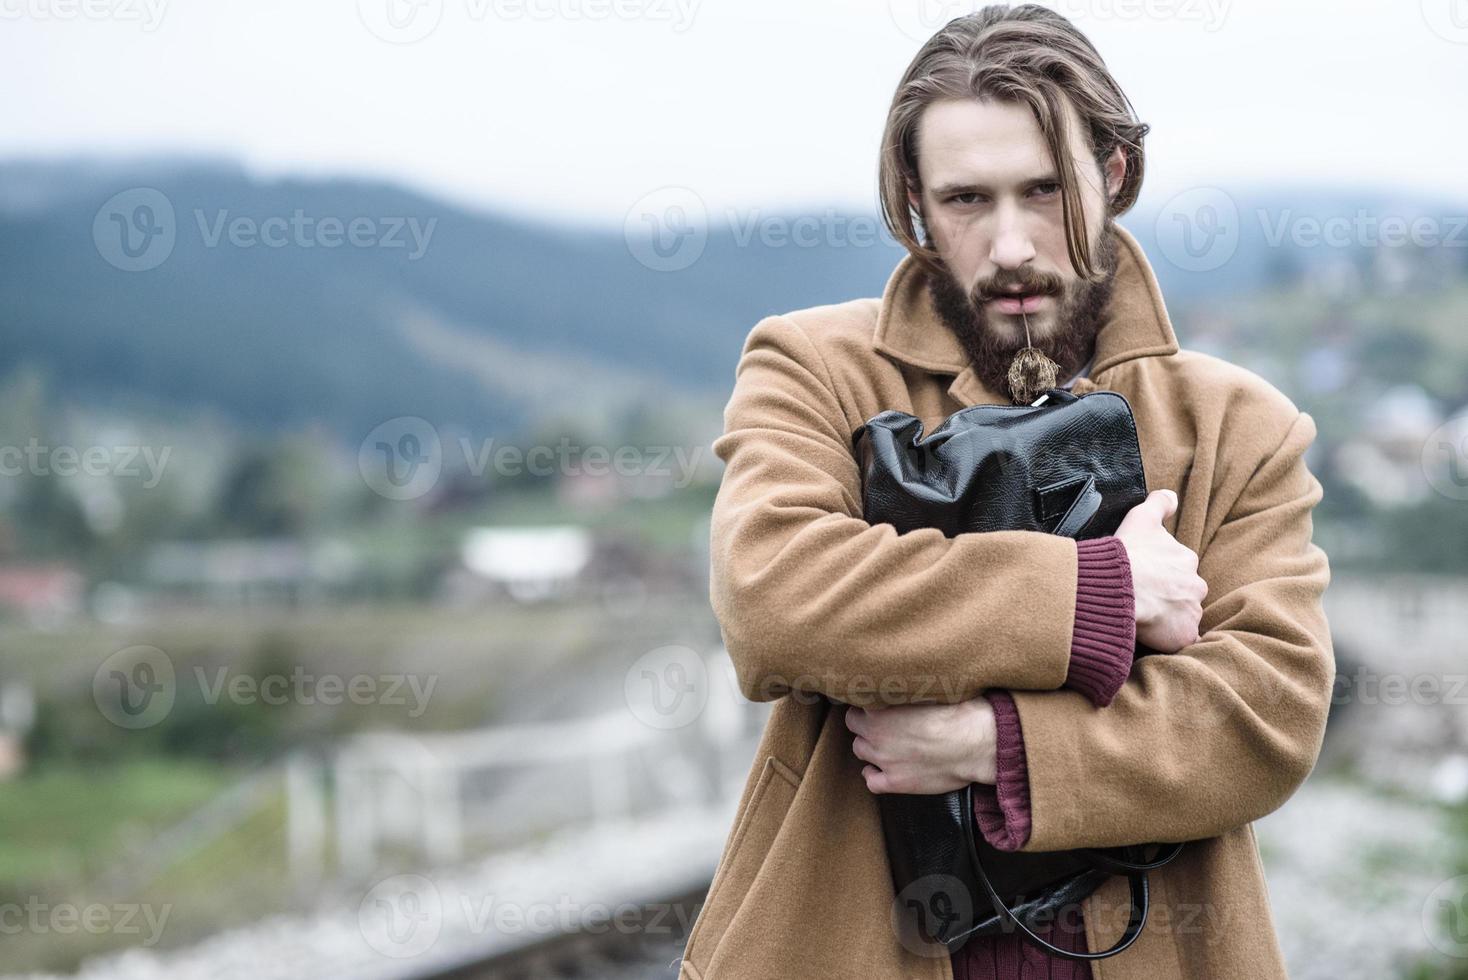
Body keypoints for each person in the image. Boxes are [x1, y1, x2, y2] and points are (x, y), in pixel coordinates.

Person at [679, 5, 1334, 979]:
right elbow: (775, 597)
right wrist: (1099, 593)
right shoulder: (811, 365)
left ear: (1110, 173)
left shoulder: (1237, 423)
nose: (1013, 242)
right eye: (967, 200)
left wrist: (997, 742)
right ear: (914, 200)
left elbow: (1263, 712)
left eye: (1042, 189)